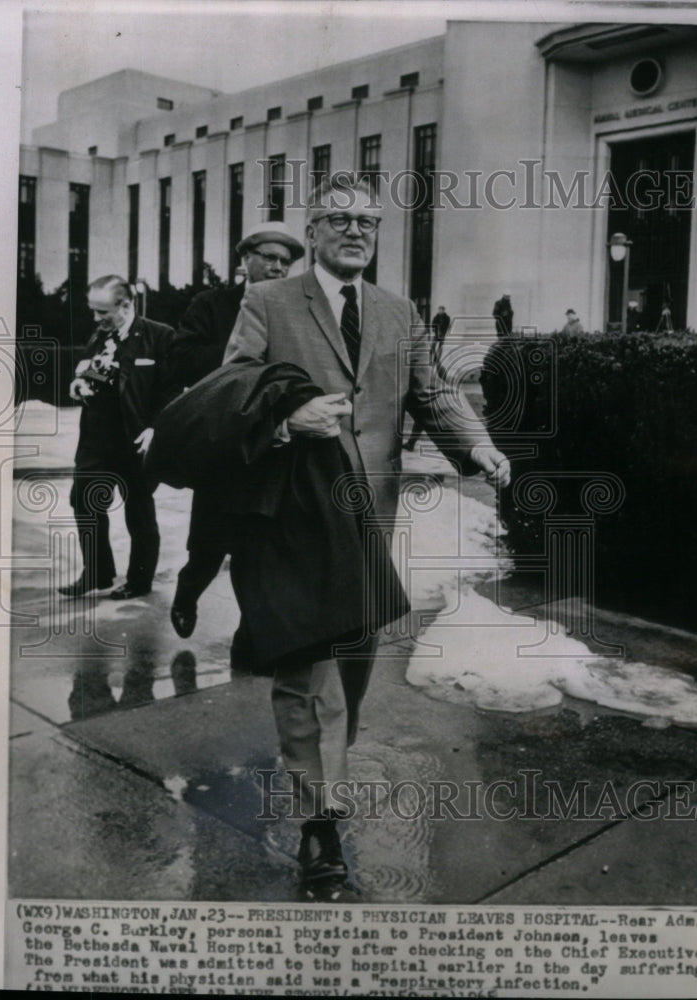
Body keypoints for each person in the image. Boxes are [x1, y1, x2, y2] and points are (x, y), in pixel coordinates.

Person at [218, 176, 511, 888]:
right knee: (307, 663)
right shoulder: (268, 302)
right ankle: (319, 822)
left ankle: (326, 773)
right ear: (313, 231)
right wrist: (287, 421)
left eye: (369, 223)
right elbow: (232, 388)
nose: (356, 232)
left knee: (354, 655)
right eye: (341, 220)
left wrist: (476, 446)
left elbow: (432, 392)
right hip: (294, 512)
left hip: (371, 512)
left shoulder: (395, 309)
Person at [168, 222, 304, 644]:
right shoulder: (212, 304)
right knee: (208, 546)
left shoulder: (297, 310)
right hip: (224, 444)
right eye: (269, 257)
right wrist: (245, 352)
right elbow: (182, 358)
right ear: (245, 259)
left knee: (257, 550)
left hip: (273, 443)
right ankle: (187, 593)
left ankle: (251, 638)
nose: (278, 267)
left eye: (285, 261)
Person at [58, 275, 175, 599]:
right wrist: (80, 383)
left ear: (126, 306)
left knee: (138, 510)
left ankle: (139, 581)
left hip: (136, 440)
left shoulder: (159, 336)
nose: (96, 319)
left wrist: (156, 428)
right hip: (96, 439)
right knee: (84, 500)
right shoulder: (100, 336)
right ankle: (97, 573)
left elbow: (171, 390)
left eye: (103, 312)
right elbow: (91, 370)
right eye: (93, 311)